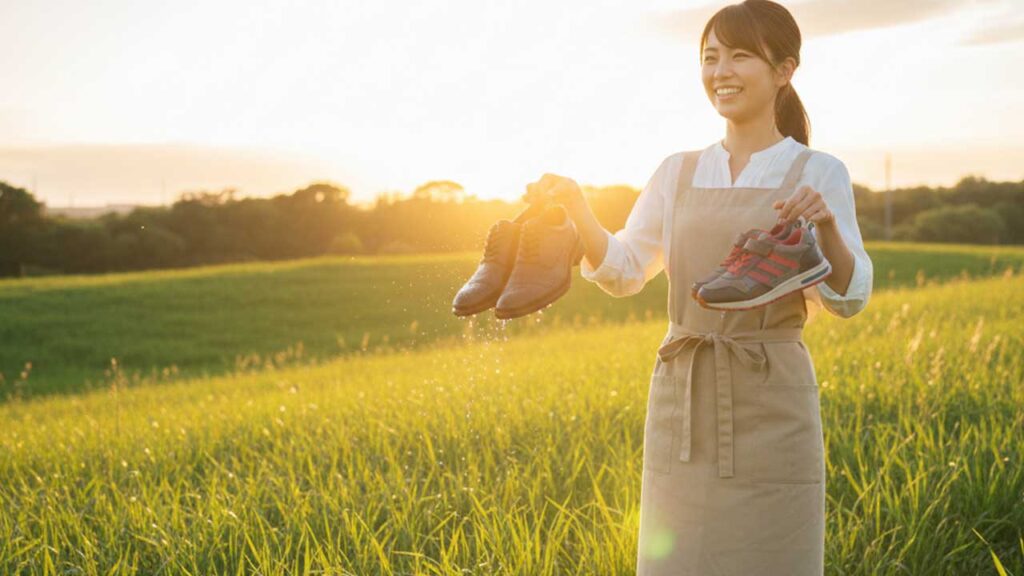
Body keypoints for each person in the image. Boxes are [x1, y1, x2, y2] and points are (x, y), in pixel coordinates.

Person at [528, 1, 873, 574]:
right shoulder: (677, 171)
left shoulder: (818, 172)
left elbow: (848, 297)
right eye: (710, 57)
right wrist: (580, 212)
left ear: (784, 70)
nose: (721, 72)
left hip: (772, 394)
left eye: (740, 56)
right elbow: (624, 269)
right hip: (683, 391)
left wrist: (828, 228)